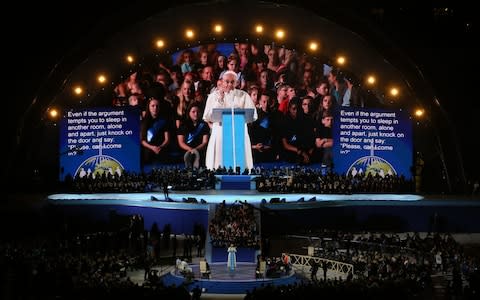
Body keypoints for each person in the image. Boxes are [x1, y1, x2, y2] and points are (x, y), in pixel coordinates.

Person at [203, 70, 257, 171]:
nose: (229, 84)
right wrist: (220, 100)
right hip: (220, 133)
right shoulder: (213, 96)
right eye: (226, 81)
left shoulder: (243, 95)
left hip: (238, 133)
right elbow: (207, 116)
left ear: (236, 83)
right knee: (219, 164)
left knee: (240, 166)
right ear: (222, 81)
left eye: (232, 82)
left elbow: (253, 115)